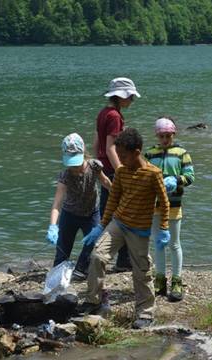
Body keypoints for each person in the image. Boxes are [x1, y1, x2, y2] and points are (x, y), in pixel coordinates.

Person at [82, 128, 171, 328]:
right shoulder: (122, 171)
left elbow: (164, 202)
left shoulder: (153, 174)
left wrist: (164, 228)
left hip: (139, 230)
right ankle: (92, 300)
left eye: (123, 156)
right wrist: (101, 226)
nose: (120, 160)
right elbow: (113, 199)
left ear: (136, 152)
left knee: (141, 271)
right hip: (118, 223)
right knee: (98, 256)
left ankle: (146, 312)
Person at [45, 133, 111, 280]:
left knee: (93, 243)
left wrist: (117, 193)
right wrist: (52, 226)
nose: (74, 167)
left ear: (83, 154)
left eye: (76, 163)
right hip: (70, 215)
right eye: (71, 164)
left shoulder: (94, 166)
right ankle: (57, 276)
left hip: (91, 214)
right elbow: (57, 204)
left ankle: (81, 269)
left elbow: (105, 182)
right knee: (63, 250)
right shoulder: (65, 175)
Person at [145, 117, 195, 302]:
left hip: (174, 205)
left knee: (174, 243)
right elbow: (144, 175)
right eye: (162, 136)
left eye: (168, 136)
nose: (165, 139)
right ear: (156, 135)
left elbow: (190, 176)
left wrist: (177, 180)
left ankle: (176, 280)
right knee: (158, 243)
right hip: (154, 206)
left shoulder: (182, 153)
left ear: (174, 134)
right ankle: (159, 279)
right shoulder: (150, 154)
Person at [93, 77, 139, 273]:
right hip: (113, 171)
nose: (132, 101)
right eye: (130, 97)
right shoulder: (115, 116)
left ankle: (97, 257)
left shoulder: (104, 113)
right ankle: (122, 259)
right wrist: (121, 171)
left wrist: (98, 166)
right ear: (122, 97)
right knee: (124, 213)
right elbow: (111, 147)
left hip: (104, 168)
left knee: (106, 213)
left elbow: (97, 143)